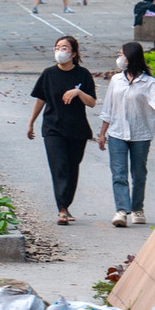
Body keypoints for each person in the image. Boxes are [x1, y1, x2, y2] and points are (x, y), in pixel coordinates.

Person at [97, 41, 155, 227]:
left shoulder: (149, 82)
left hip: (141, 134)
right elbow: (108, 108)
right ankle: (122, 210)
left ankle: (137, 208)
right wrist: (102, 133)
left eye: (121, 54)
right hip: (116, 133)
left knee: (139, 173)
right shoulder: (116, 80)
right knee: (118, 173)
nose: (119, 58)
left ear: (131, 57)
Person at [27, 35, 97, 225]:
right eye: (57, 47)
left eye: (64, 48)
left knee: (72, 168)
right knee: (59, 167)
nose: (60, 51)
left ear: (73, 54)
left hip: (77, 130)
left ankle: (66, 203)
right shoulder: (48, 74)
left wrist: (78, 92)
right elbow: (41, 99)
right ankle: (62, 208)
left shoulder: (83, 74)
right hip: (53, 128)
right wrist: (31, 122)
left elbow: (92, 102)